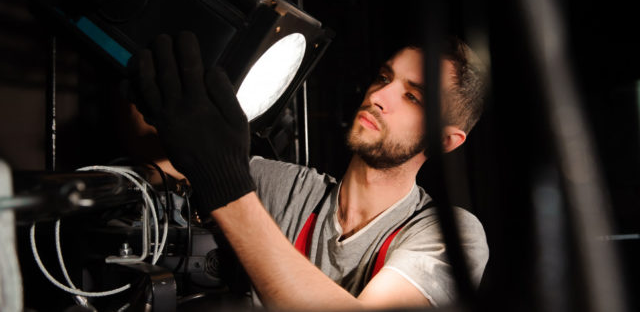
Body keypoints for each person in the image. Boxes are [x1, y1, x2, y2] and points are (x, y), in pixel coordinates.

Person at [127, 31, 490, 310]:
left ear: (446, 141)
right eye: (383, 77)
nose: (378, 96)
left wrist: (226, 185)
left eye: (413, 97)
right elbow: (165, 161)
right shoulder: (287, 188)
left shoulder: (450, 234)